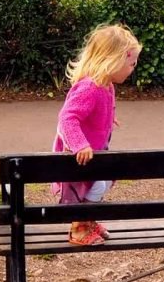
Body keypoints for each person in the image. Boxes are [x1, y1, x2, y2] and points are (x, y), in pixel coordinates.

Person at [51, 23, 141, 245]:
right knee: (96, 185)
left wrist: (110, 116)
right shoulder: (90, 87)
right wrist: (79, 144)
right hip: (82, 155)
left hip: (95, 152)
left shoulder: (106, 84)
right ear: (113, 60)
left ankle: (87, 219)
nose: (133, 68)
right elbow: (67, 117)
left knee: (101, 183)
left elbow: (107, 104)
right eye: (131, 63)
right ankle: (79, 227)